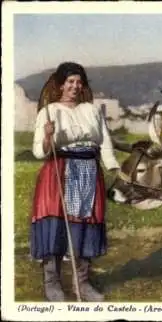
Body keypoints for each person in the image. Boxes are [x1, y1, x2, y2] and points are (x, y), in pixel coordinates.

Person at [31, 62, 120, 302]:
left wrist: (113, 167)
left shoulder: (92, 110)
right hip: (59, 172)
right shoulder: (49, 112)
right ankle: (52, 283)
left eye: (79, 82)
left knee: (86, 225)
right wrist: (49, 136)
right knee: (56, 226)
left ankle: (82, 282)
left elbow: (105, 143)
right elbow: (40, 152)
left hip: (89, 171)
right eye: (70, 81)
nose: (75, 86)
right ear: (61, 84)